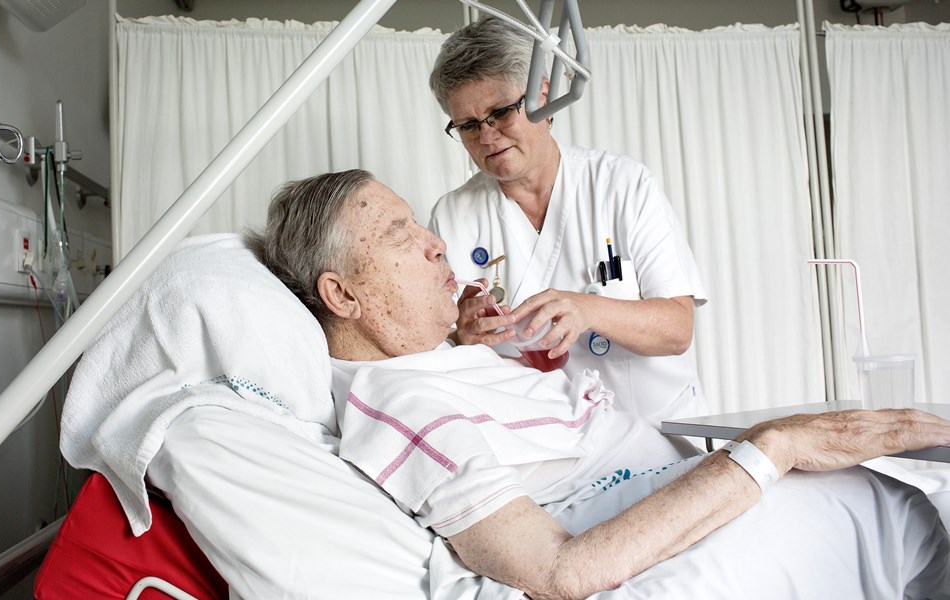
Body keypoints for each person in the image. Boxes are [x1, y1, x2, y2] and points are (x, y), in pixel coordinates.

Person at [247, 169, 950, 599]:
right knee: (898, 505)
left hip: (670, 487)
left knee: (903, 494)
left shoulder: (436, 359)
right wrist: (775, 447)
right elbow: (559, 574)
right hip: (635, 541)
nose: (435, 241)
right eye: (401, 234)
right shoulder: (396, 402)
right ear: (342, 296)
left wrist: (467, 338)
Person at [427, 17, 707, 425]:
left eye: (501, 112)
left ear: (542, 94)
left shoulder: (623, 184)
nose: (487, 136)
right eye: (468, 125)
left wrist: (589, 309)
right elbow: (436, 345)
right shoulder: (453, 215)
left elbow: (678, 329)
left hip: (657, 429)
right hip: (547, 442)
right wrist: (462, 338)